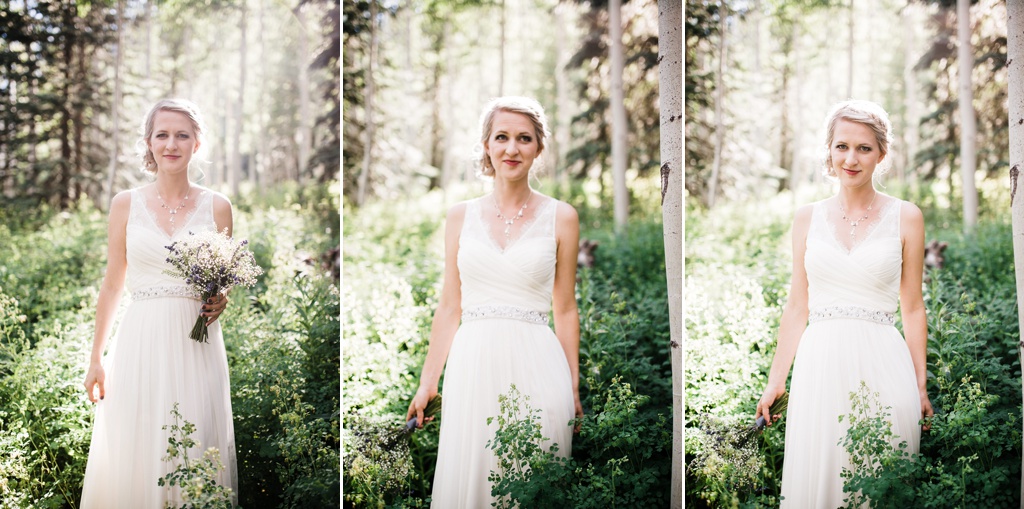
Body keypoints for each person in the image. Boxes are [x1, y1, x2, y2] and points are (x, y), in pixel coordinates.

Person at [405, 96, 584, 507]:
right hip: (474, 366)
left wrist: (573, 387)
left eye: (524, 138)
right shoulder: (459, 216)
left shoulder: (563, 216)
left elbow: (566, 308)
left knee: (533, 480)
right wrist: (428, 381)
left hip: (541, 365)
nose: (512, 148)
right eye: (501, 137)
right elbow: (451, 306)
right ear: (486, 145)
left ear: (538, 147)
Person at [755, 99, 934, 507]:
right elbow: (797, 306)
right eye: (842, 146)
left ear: (881, 155)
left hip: (886, 366)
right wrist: (776, 380)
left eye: (864, 148)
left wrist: (920, 386)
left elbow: (913, 307)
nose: (851, 159)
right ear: (829, 150)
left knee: (880, 480)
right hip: (821, 368)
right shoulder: (806, 217)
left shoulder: (907, 217)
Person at [80, 98, 238, 506]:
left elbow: (221, 281)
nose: (172, 144)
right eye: (162, 135)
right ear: (149, 143)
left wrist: (222, 299)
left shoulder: (218, 207)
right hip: (140, 341)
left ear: (196, 144)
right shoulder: (125, 204)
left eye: (182, 135)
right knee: (138, 442)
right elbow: (113, 283)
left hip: (196, 346)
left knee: (196, 440)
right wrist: (96, 357)